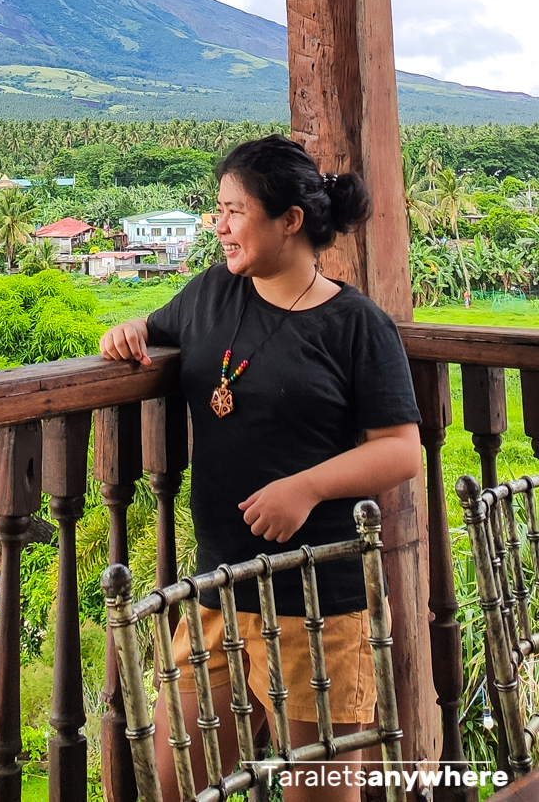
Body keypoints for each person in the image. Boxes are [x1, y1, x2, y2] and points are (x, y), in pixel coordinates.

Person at [99, 135, 421, 802]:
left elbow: (400, 448)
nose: (218, 225)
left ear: (290, 221)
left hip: (318, 603)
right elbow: (152, 331)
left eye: (233, 210)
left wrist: (307, 486)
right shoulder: (212, 294)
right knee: (172, 783)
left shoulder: (355, 325)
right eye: (217, 209)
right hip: (218, 591)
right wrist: (127, 330)